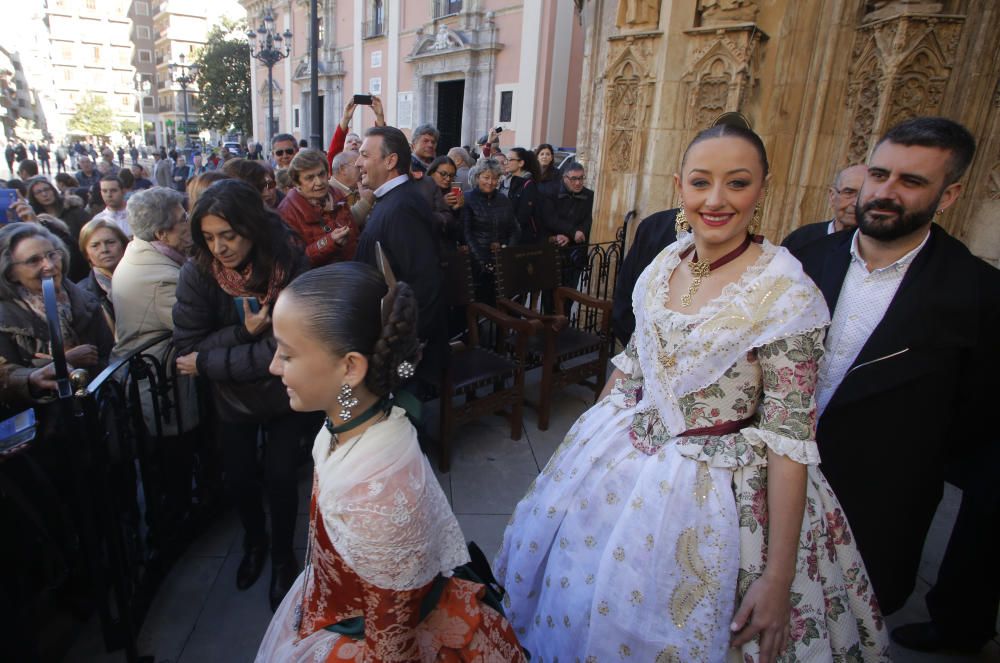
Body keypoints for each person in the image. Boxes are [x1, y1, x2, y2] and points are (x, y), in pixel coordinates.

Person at [494, 120, 890, 662]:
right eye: (702, 182)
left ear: (762, 188)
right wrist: (581, 454)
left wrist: (778, 579)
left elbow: (789, 441)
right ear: (680, 185)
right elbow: (633, 366)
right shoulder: (663, 264)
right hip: (626, 455)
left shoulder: (787, 293)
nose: (717, 199)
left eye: (738, 182)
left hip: (722, 492)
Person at [792, 117, 1000, 647]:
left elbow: (974, 418)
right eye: (878, 174)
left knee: (843, 635)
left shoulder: (976, 292)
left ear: (948, 195)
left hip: (878, 509)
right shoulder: (801, 259)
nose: (884, 192)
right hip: (776, 483)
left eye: (910, 181)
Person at [256, 262, 528, 661]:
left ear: (350, 366)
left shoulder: (377, 499)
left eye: (287, 354)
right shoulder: (347, 414)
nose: (273, 366)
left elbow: (391, 646)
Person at [172, 179, 319, 611]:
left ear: (251, 227)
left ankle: (281, 557)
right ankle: (255, 544)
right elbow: (186, 351)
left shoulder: (289, 260)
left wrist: (208, 359)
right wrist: (242, 332)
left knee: (279, 476)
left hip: (285, 389)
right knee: (239, 478)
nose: (219, 247)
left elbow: (293, 344)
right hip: (232, 398)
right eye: (209, 237)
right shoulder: (198, 272)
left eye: (228, 236)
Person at [113, 186, 199, 540]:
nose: (188, 223)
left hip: (162, 382)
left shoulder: (148, 255)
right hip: (162, 390)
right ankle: (172, 527)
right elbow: (195, 325)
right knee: (171, 462)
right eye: (182, 219)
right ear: (162, 233)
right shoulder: (158, 274)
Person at [354, 126, 446, 381]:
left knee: (407, 409)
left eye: (364, 155)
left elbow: (424, 282)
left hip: (407, 351)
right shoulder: (393, 199)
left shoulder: (402, 207)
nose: (358, 162)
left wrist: (406, 345)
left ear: (390, 160)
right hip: (399, 340)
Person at [0, 223, 112, 421]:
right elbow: (6, 377)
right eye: (34, 260)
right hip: (47, 429)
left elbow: (107, 354)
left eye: (52, 255)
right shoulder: (5, 320)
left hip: (99, 416)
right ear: (10, 272)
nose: (49, 265)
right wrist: (57, 364)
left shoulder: (85, 300)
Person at [277, 148, 359, 266]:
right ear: (297, 183)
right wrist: (329, 242)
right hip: (318, 281)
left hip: (353, 273)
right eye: (310, 178)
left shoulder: (337, 194)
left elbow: (355, 236)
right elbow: (295, 261)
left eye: (321, 174)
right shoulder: (287, 212)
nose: (319, 182)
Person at [610, 208, 679, 346]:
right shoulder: (653, 226)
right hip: (640, 344)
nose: (714, 201)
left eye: (735, 185)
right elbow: (625, 292)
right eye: (700, 184)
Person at [462, 159, 519, 302]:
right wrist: (483, 261)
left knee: (499, 304)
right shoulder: (467, 199)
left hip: (500, 261)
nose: (490, 182)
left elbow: (514, 228)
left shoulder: (503, 199)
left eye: (494, 178)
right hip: (476, 264)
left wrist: (506, 250)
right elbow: (466, 233)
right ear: (477, 178)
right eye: (486, 177)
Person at [782, 164, 866, 253]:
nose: (856, 203)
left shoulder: (876, 248)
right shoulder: (801, 239)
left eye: (864, 195)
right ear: (832, 196)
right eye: (849, 193)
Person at [26, 176, 92, 281]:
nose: (44, 194)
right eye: (38, 192)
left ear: (53, 190)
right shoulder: (36, 221)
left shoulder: (74, 212)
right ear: (34, 197)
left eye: (47, 189)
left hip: (83, 263)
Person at [76, 218, 128, 324]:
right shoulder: (81, 294)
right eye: (95, 245)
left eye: (110, 242)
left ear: (123, 245)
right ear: (86, 254)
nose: (104, 249)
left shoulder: (143, 278)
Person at [326, 98, 385, 169]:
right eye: (349, 141)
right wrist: (346, 118)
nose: (354, 143)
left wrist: (380, 117)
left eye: (358, 142)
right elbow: (336, 144)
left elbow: (380, 146)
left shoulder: (369, 170)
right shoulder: (336, 168)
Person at [505, 147, 545, 244]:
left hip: (521, 239)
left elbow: (522, 217)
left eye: (510, 160)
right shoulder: (505, 182)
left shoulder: (528, 185)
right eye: (506, 160)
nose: (506, 163)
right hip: (506, 234)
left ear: (521, 163)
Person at [425, 155, 464, 247]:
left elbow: (456, 229)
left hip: (448, 248)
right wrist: (442, 204)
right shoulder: (422, 191)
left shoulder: (453, 192)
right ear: (431, 172)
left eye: (451, 175)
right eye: (443, 174)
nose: (447, 179)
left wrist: (457, 209)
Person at [328, 150, 374, 227]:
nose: (363, 171)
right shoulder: (327, 193)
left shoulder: (359, 190)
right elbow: (342, 225)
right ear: (343, 169)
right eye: (358, 167)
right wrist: (365, 202)